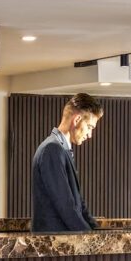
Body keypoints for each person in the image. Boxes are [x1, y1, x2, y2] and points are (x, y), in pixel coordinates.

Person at [31, 93, 104, 232]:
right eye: (89, 127)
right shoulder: (52, 149)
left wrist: (96, 233)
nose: (90, 135)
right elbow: (65, 206)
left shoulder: (60, 149)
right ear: (77, 120)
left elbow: (78, 204)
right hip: (54, 244)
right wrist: (89, 239)